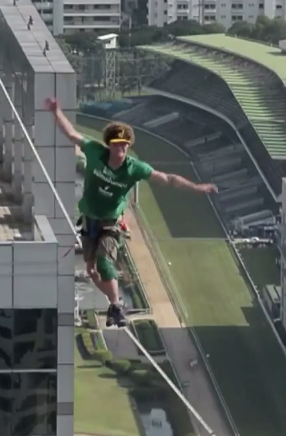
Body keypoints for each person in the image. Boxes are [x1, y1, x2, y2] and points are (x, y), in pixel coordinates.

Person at [46, 97, 217, 328]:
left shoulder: (134, 168)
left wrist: (196, 188)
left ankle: (116, 305)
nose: (122, 148)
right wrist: (56, 112)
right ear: (109, 144)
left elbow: (167, 178)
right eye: (117, 144)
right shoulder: (95, 152)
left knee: (105, 263)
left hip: (109, 222)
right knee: (92, 271)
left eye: (125, 144)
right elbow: (72, 135)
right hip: (89, 220)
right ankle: (114, 304)